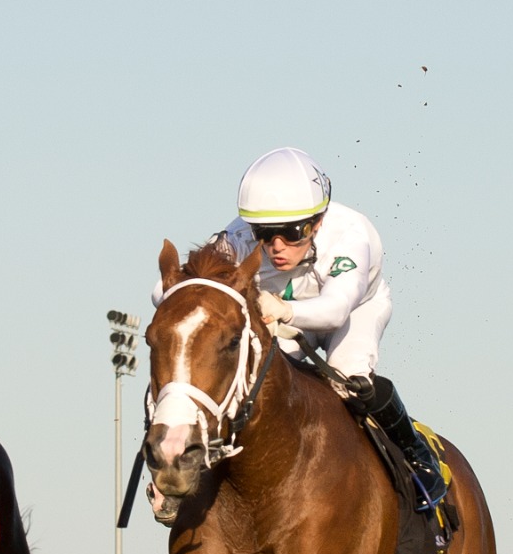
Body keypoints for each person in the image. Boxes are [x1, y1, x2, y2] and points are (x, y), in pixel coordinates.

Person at [158, 147, 446, 511]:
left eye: (293, 233)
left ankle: (417, 456)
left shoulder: (350, 236)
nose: (277, 246)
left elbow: (336, 310)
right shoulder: (238, 237)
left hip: (353, 308)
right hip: (280, 311)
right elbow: (170, 289)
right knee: (261, 383)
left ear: (318, 222)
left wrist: (283, 309)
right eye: (266, 233)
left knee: (349, 378)